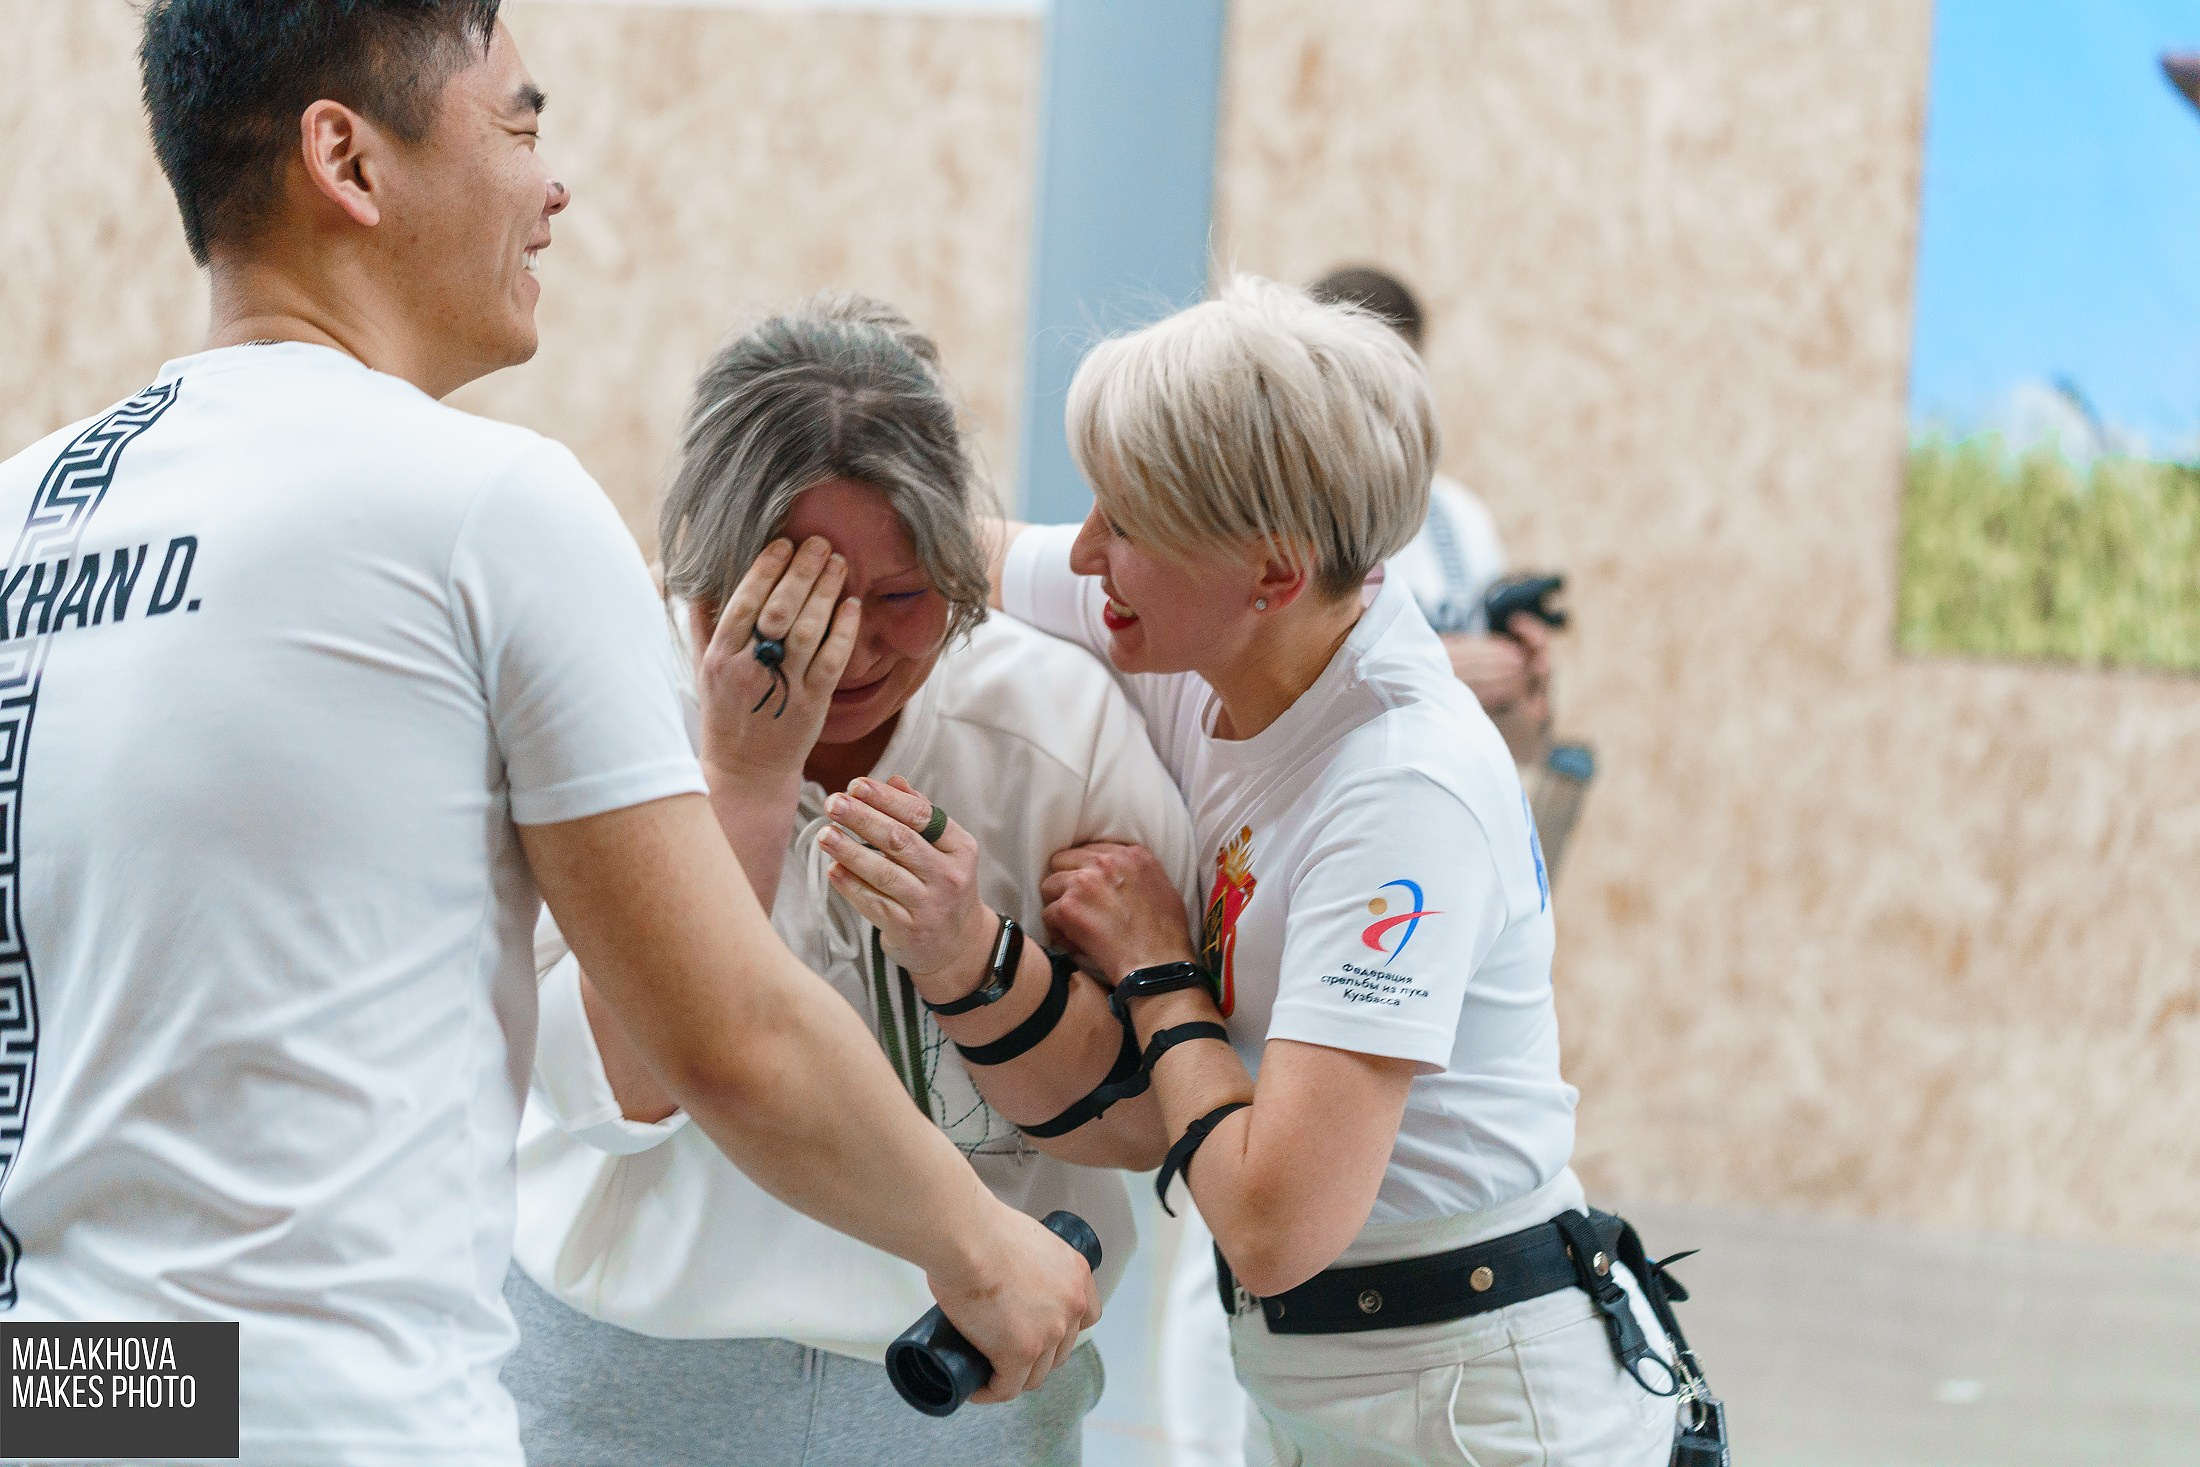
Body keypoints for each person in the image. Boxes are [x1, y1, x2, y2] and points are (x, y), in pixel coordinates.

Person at [0, 5, 1092, 1462]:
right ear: (348, 157)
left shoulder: (21, 521)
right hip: (336, 1415)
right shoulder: (484, 507)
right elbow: (728, 1033)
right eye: (519, 126)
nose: (554, 186)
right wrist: (983, 1247)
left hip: (71, 1394)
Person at [982, 277, 1678, 1465]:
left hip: (1471, 1409)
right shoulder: (1191, 621)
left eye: (1129, 522)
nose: (1089, 550)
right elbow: (962, 551)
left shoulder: (1400, 784)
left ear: (1273, 572)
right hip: (1333, 1381)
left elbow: (1269, 1224)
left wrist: (1155, 966)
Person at [505, 296, 1200, 1466]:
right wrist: (745, 780)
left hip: (966, 1376)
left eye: (903, 595)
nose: (861, 650)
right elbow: (616, 1093)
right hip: (631, 1367)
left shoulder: (1051, 719)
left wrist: (975, 963)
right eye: (802, 603)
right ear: (705, 574)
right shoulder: (606, 693)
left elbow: (1147, 1123)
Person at [1307, 265, 1554, 764]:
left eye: (1397, 376)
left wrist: (1525, 683)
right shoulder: (1276, 519)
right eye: (1355, 376)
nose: (1378, 402)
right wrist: (1433, 671)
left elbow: (1524, 751)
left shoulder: (1460, 518)